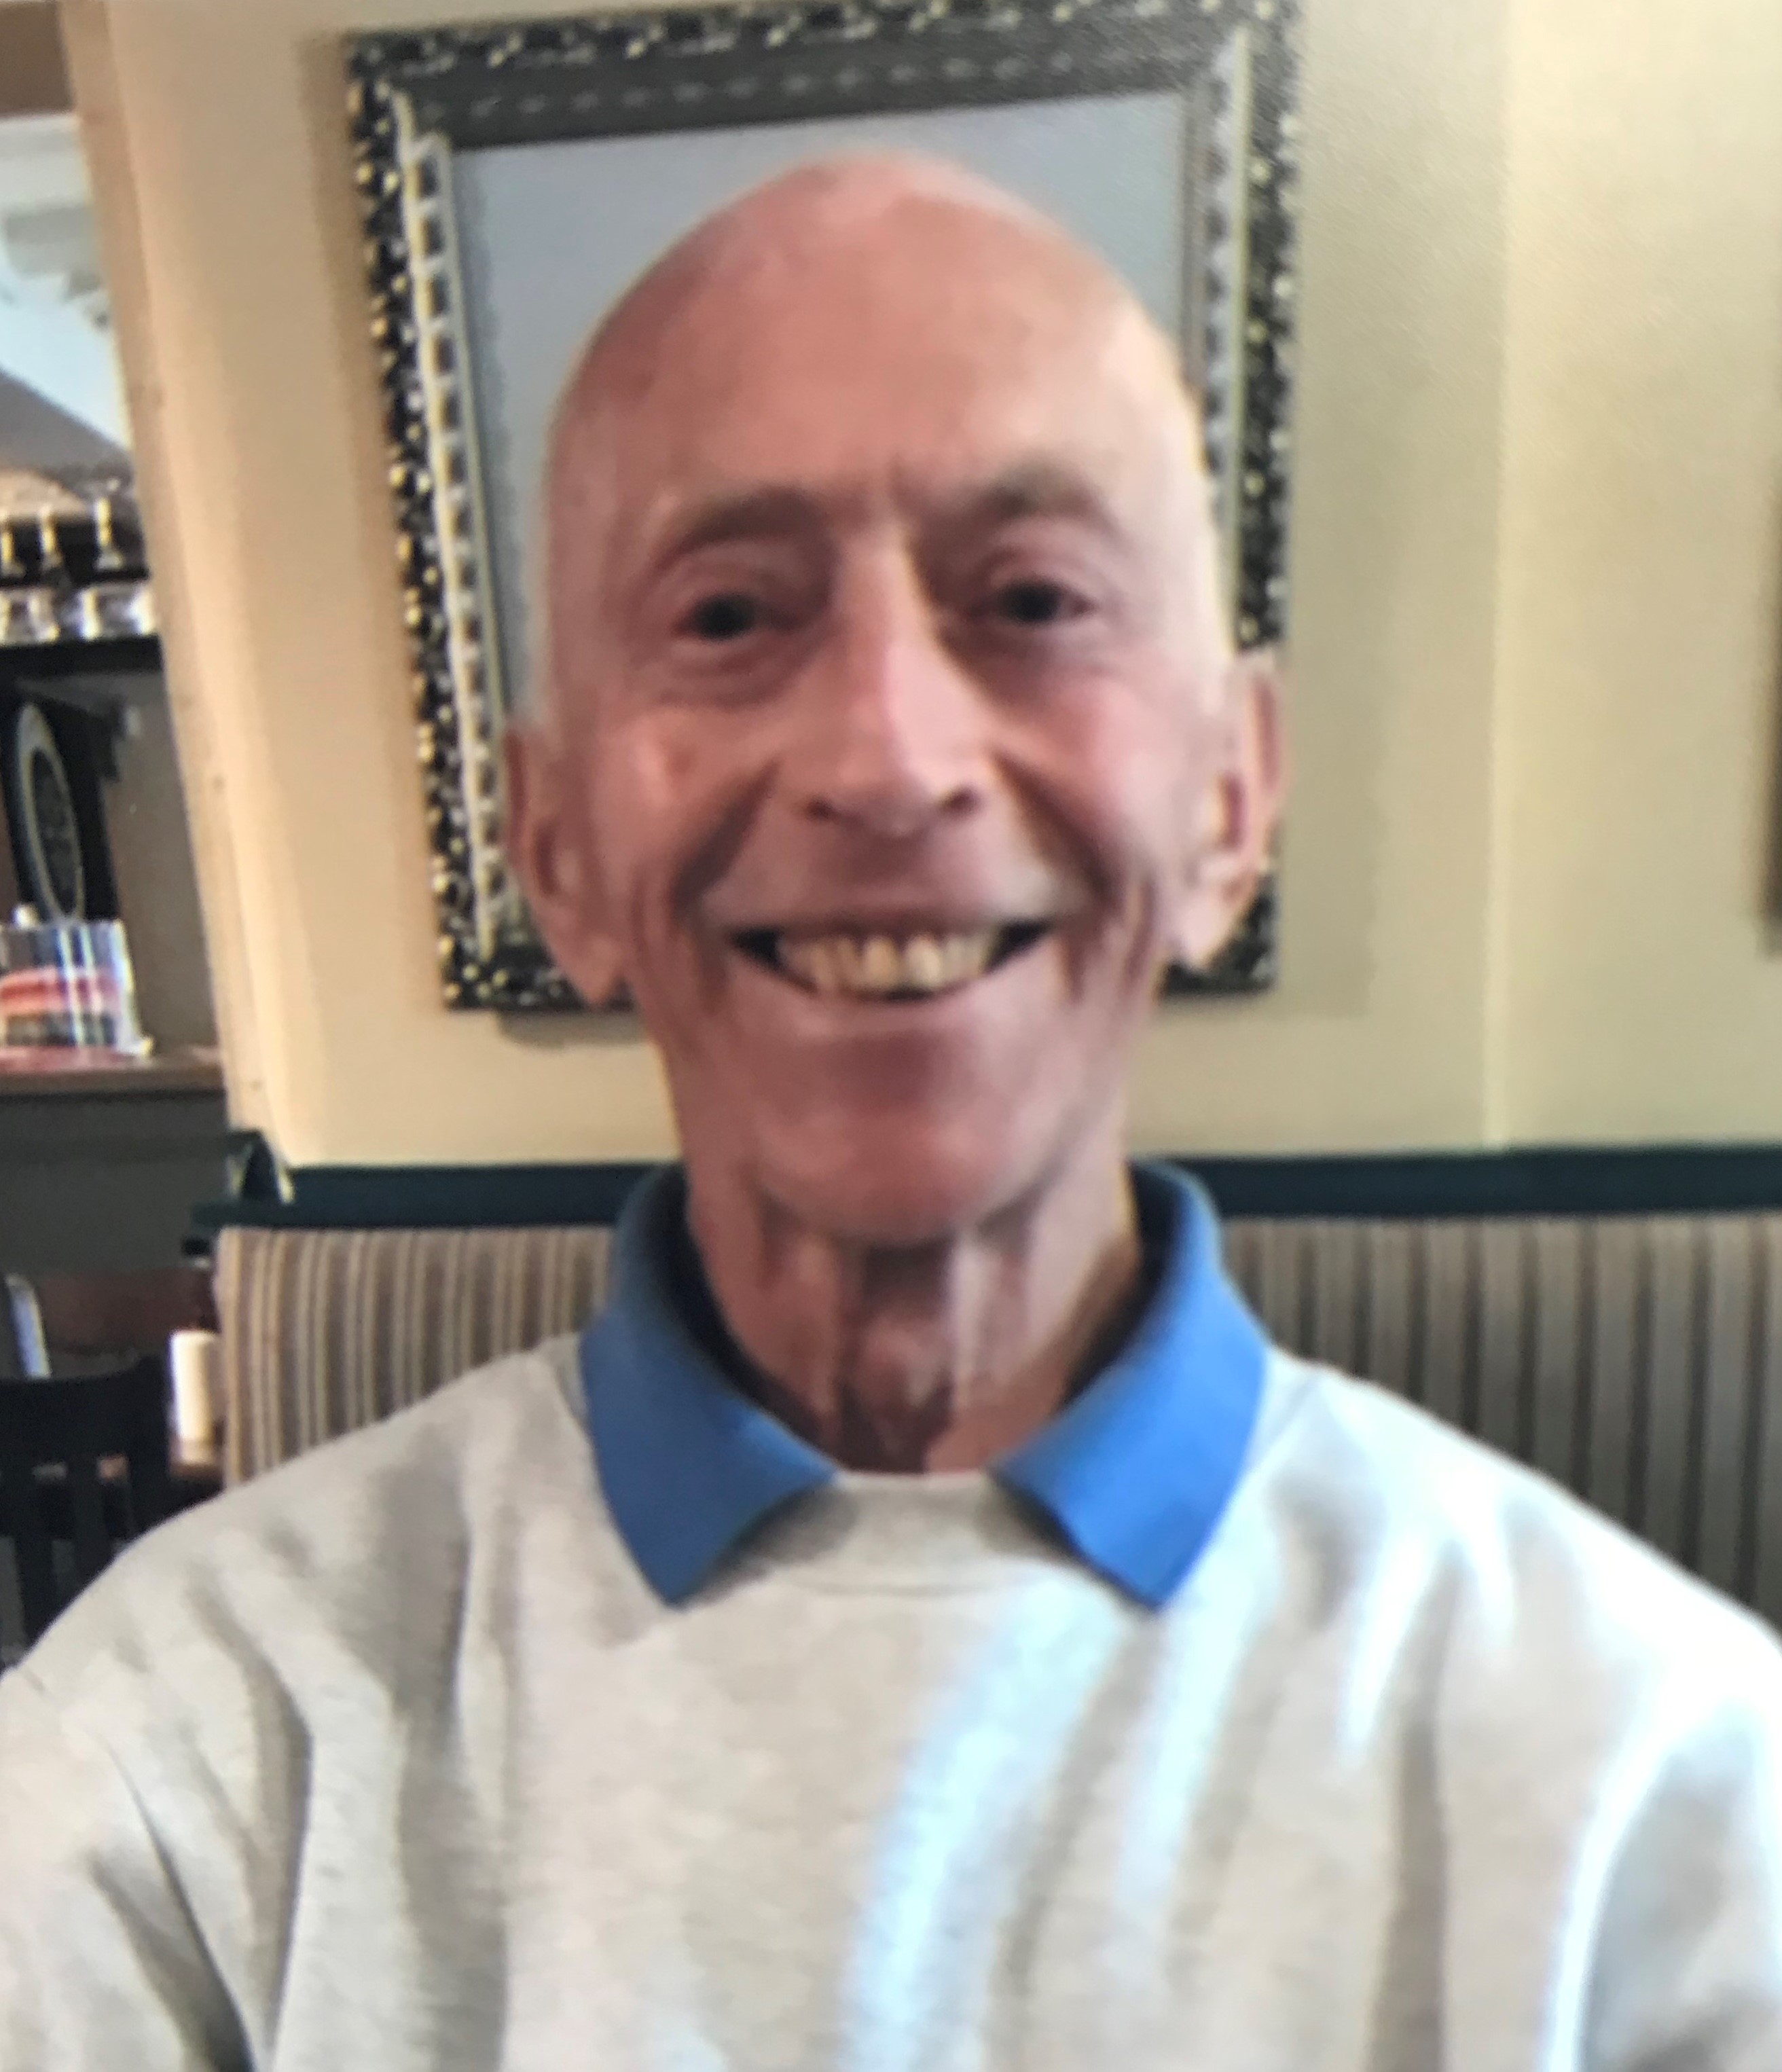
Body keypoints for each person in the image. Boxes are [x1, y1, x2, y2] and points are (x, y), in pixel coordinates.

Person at [1, 154, 1779, 2070]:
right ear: (557, 844)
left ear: (1229, 800)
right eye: (730, 614)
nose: (887, 755)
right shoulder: (171, 1774)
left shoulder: (1663, 1802)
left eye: (1033, 599)